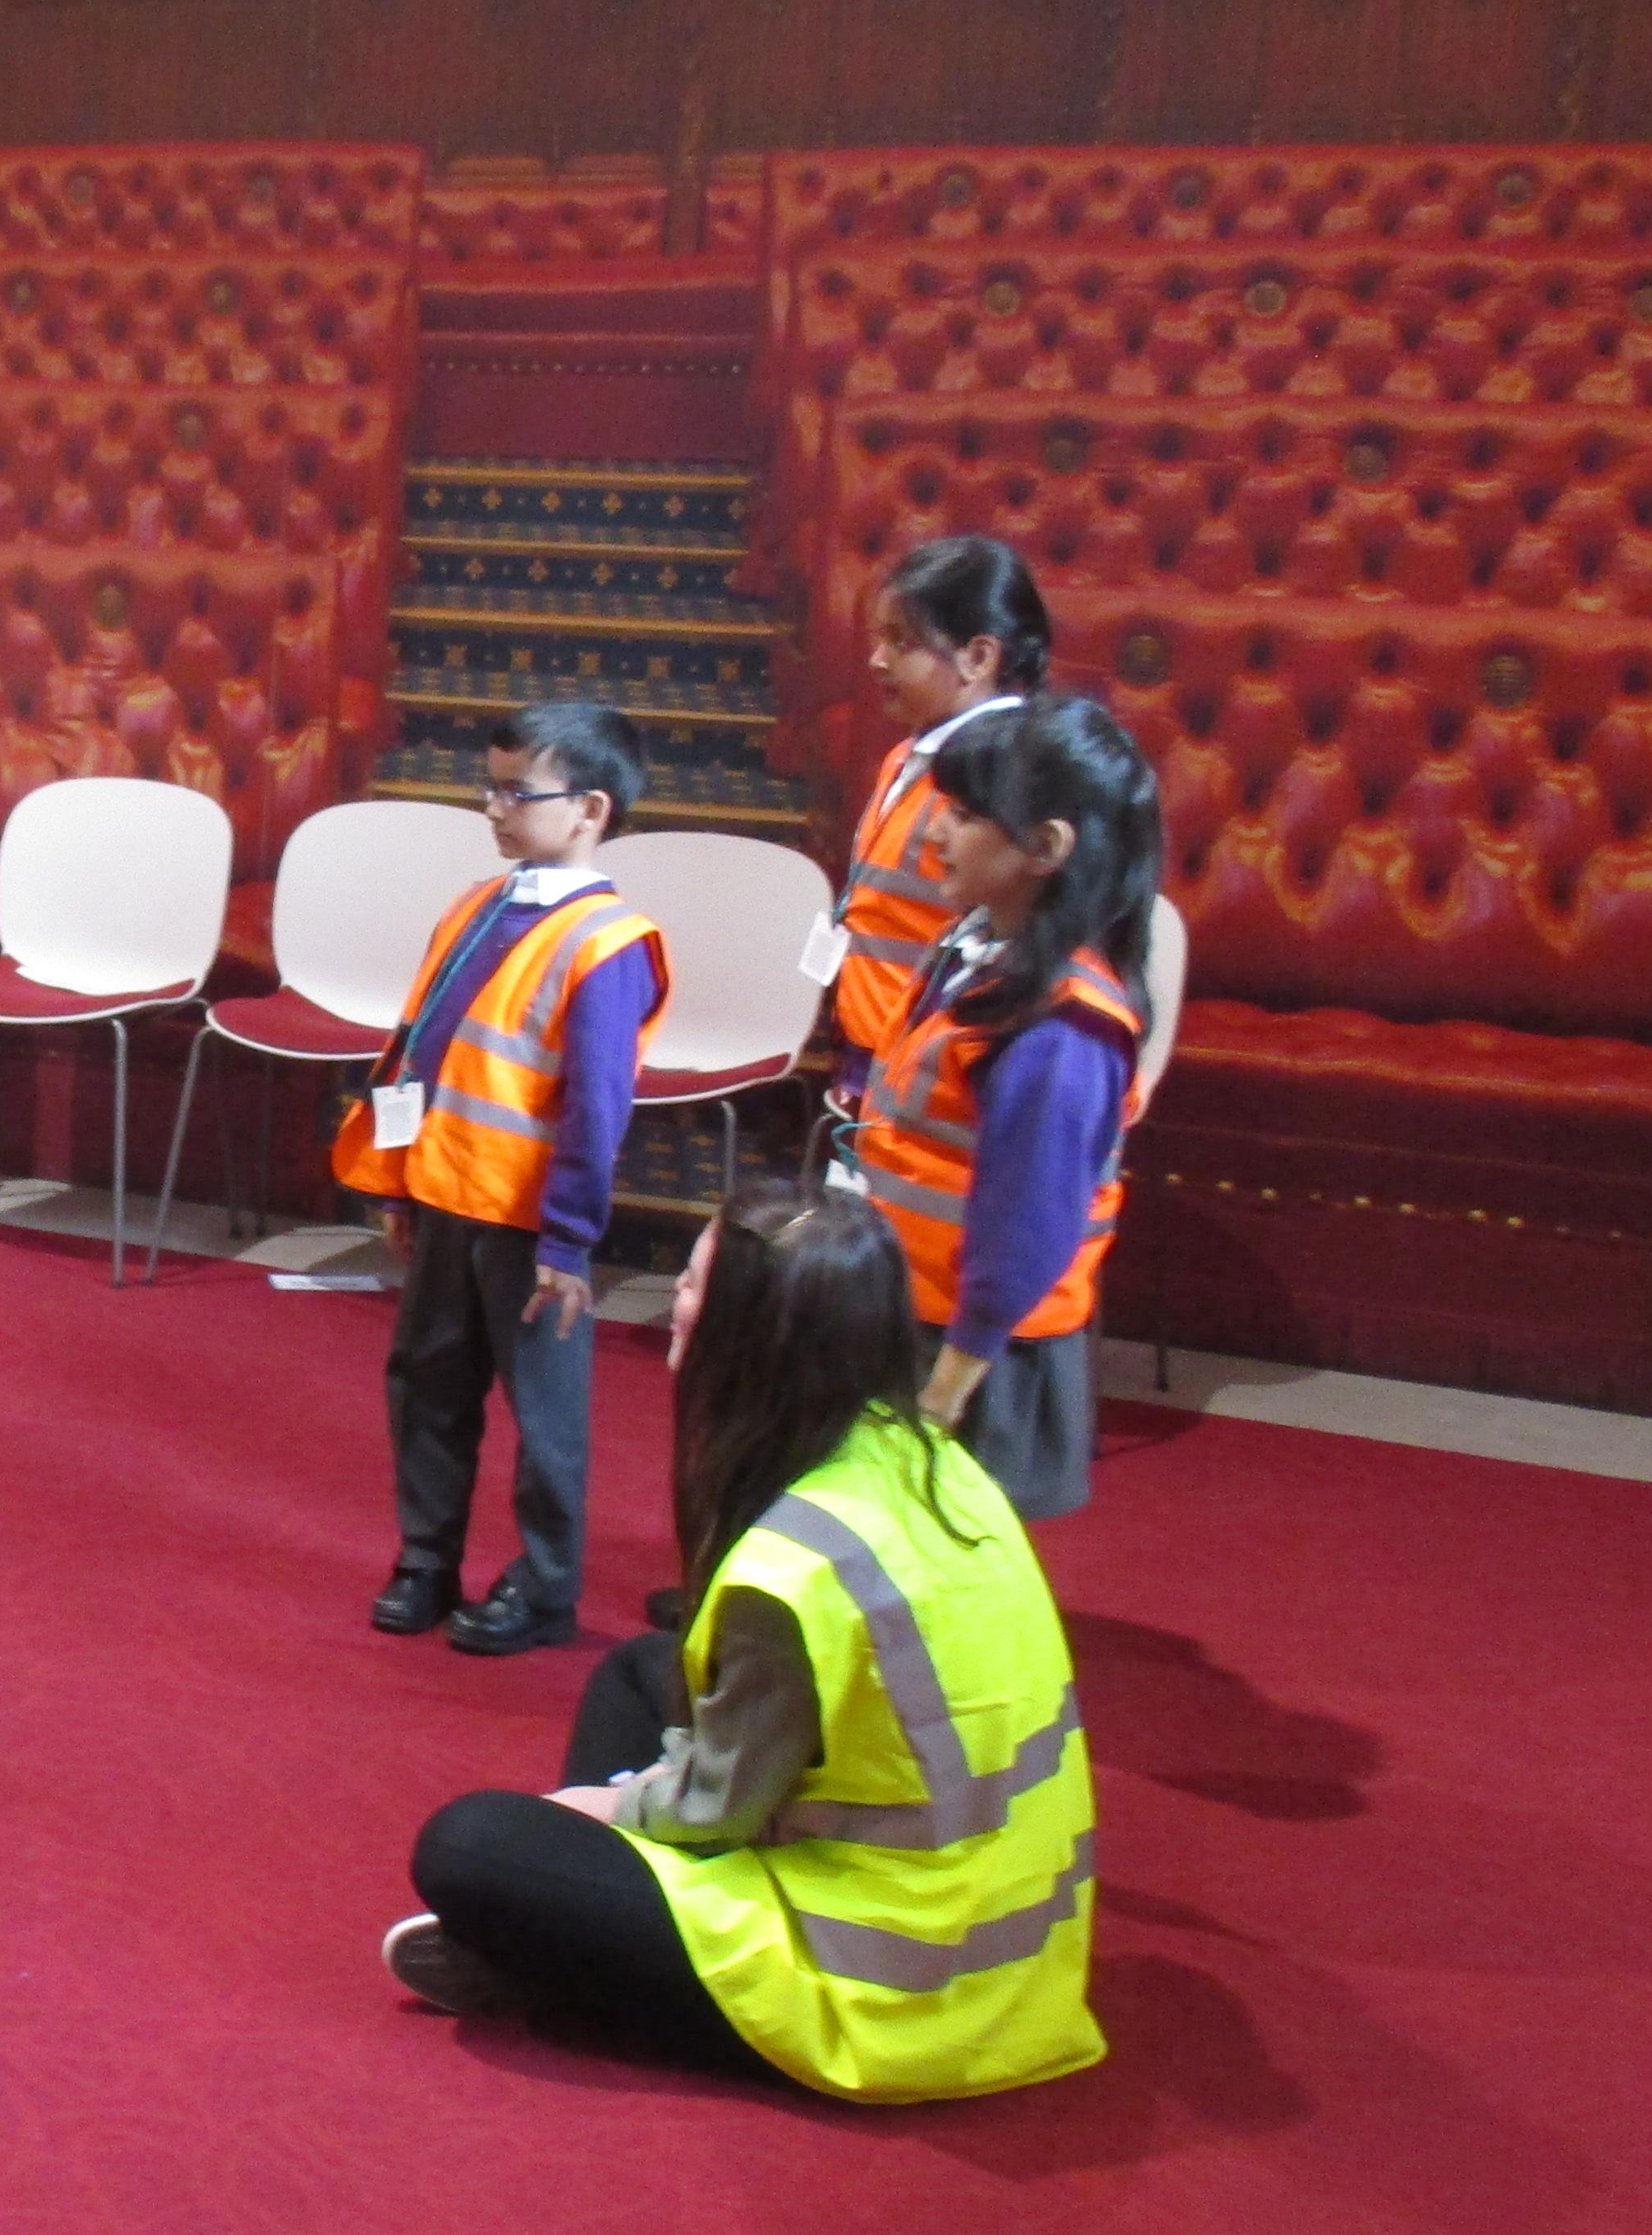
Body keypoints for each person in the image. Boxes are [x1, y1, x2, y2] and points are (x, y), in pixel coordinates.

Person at [382, 1182, 1103, 2102]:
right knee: (640, 1673)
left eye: (690, 1285)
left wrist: (600, 1809)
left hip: (885, 1980)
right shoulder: (929, 1458)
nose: (674, 1304)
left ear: (750, 1336)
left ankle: (566, 1955)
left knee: (471, 1845)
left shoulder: (789, 1573)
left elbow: (712, 1809)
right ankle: (575, 1936)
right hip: (981, 1918)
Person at [339, 703, 670, 1656]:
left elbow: (596, 1107)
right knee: (427, 1386)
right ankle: (426, 1558)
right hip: (445, 1193)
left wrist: (570, 1238)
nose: (493, 808)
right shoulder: (474, 905)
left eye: (517, 792)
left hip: (530, 1222)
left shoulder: (608, 942)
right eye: (489, 788)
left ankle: (546, 1583)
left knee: (545, 1415)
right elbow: (421, 1049)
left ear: (590, 809)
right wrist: (398, 1183)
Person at [851, 693, 1160, 1524]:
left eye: (963, 815)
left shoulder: (1061, 1029)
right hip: (910, 1312)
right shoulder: (975, 947)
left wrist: (948, 1386)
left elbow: (1028, 1223)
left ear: (1045, 848)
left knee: (944, 1566)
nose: (934, 833)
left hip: (977, 1354)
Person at [817, 536, 1051, 1087]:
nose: (877, 660)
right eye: (879, 638)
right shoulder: (908, 755)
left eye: (902, 642)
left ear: (978, 658)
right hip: (872, 1040)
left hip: (932, 1057)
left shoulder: (1009, 777)